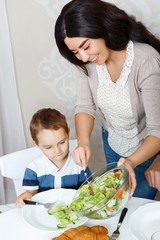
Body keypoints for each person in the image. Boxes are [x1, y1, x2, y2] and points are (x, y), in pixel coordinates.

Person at [54, 0, 160, 199]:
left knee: (135, 207)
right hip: (112, 142)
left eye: (85, 46)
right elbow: (85, 105)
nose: (83, 57)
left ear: (101, 27)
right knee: (116, 203)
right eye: (75, 52)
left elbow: (157, 129)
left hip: (147, 149)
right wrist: (84, 142)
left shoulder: (145, 60)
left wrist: (130, 162)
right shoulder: (86, 63)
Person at [16, 108, 91, 208]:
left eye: (61, 142)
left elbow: (88, 192)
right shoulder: (33, 169)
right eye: (49, 147)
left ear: (68, 133)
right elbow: (31, 194)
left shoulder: (79, 164)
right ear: (37, 144)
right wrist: (25, 197)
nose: (58, 151)